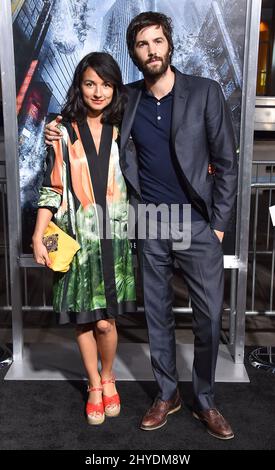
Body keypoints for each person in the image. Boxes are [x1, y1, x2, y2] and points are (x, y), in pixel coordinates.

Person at [44, 12, 237, 440]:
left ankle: (204, 399)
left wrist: (218, 226)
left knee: (207, 320)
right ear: (134, 53)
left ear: (170, 44)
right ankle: (166, 394)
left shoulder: (205, 92)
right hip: (148, 217)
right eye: (142, 45)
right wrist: (54, 130)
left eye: (157, 41)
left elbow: (226, 163)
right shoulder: (126, 97)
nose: (151, 51)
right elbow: (85, 113)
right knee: (158, 317)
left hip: (195, 220)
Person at [33, 52, 136, 426]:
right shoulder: (62, 131)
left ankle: (109, 375)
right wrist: (38, 232)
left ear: (115, 88)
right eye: (90, 83)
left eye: (106, 84)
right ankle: (94, 384)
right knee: (82, 321)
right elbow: (52, 187)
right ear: (80, 85)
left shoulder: (125, 128)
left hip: (115, 241)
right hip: (77, 241)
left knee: (107, 322)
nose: (98, 91)